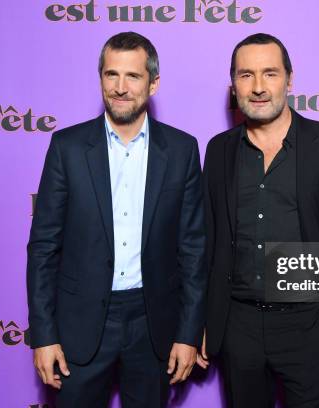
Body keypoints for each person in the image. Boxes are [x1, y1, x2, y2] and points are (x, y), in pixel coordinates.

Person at [27, 31, 206, 408]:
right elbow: (43, 248)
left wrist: (188, 334)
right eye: (111, 75)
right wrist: (43, 336)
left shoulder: (182, 150)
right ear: (101, 80)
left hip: (152, 323)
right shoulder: (67, 148)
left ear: (153, 83)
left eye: (133, 76)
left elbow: (193, 250)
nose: (120, 88)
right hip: (81, 324)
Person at [197, 33, 319, 407]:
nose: (258, 87)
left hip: (309, 325)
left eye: (270, 73)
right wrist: (208, 322)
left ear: (289, 79)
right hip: (238, 328)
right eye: (246, 75)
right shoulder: (219, 150)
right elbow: (207, 244)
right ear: (233, 85)